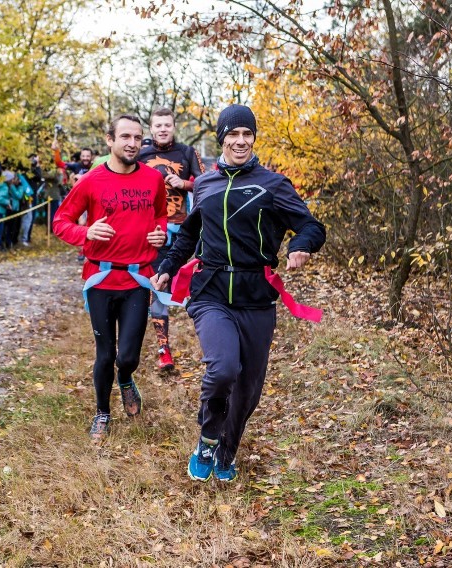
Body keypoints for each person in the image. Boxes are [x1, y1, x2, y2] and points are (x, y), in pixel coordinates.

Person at [150, 104, 326, 481]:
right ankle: (209, 437)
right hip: (211, 291)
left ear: (254, 138)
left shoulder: (274, 184)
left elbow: (310, 225)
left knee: (248, 387)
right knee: (224, 367)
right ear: (222, 138)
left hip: (256, 297)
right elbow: (192, 234)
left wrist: (301, 247)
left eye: (248, 134)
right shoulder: (207, 184)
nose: (241, 141)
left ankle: (228, 451)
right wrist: (166, 267)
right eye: (234, 134)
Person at [53, 114, 167, 440]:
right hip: (100, 279)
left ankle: (127, 378)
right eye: (125, 137)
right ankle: (102, 412)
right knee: (105, 354)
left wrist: (159, 233)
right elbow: (61, 222)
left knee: (128, 355)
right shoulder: (90, 180)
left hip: (136, 280)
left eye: (137, 138)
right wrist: (86, 231)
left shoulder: (152, 179)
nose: (132, 143)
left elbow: (159, 213)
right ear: (110, 140)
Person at [139, 107, 206, 372]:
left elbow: (208, 183)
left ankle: (211, 343)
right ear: (151, 128)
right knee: (158, 289)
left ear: (174, 127)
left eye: (168, 124)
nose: (163, 129)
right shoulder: (141, 155)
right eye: (158, 125)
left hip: (186, 233)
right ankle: (163, 349)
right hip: (154, 232)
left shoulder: (188, 153)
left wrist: (185, 184)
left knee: (196, 289)